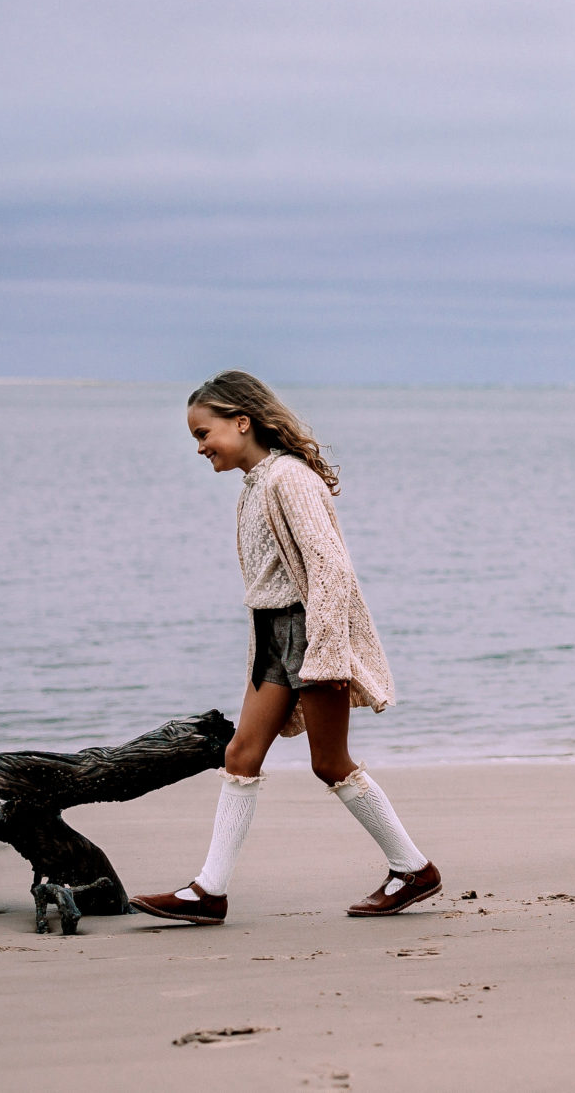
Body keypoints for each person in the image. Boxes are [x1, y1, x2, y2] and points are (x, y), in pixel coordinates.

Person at [129, 372, 439, 925]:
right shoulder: (256, 485)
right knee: (241, 757)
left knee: (330, 763)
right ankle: (209, 891)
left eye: (205, 434)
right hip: (275, 638)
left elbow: (329, 568)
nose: (200, 448)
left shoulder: (287, 480)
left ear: (241, 422)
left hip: (311, 634)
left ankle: (412, 869)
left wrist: (325, 652)